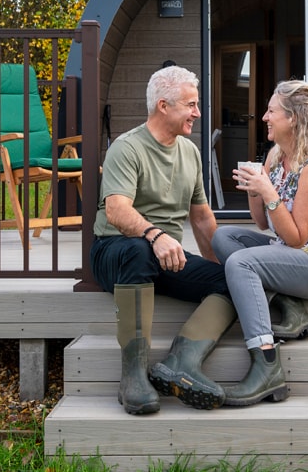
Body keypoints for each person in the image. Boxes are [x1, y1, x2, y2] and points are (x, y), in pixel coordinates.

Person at [90, 65, 236, 414]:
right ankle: (133, 378)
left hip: (166, 256)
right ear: (163, 106)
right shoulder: (127, 148)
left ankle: (181, 362)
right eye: (191, 104)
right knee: (139, 251)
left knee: (234, 280)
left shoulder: (190, 153)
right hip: (116, 250)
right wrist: (155, 235)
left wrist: (217, 267)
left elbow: (200, 218)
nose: (197, 113)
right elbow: (116, 210)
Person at [212, 80, 308, 406]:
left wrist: (269, 193)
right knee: (224, 236)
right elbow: (264, 223)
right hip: (294, 251)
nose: (264, 116)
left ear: (292, 118)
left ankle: (266, 365)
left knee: (242, 262)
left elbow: (296, 237)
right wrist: (256, 191)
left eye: (271, 111)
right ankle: (292, 310)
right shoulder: (277, 156)